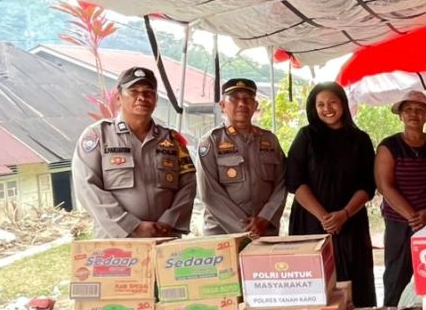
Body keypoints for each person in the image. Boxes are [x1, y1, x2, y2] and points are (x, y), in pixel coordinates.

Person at [72, 67, 195, 238]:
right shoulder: (98, 136)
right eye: (134, 91)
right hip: (117, 241)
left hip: (165, 237)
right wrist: (131, 226)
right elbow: (87, 187)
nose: (142, 97)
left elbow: (188, 185)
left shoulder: (172, 140)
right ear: (118, 97)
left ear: (156, 99)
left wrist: (169, 222)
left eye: (148, 92)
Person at [285, 82, 377, 307]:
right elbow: (295, 182)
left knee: (354, 284)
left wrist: (344, 214)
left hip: (351, 221)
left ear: (343, 104)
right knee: (315, 285)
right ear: (313, 108)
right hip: (312, 221)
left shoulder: (360, 140)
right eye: (321, 104)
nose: (327, 108)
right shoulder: (306, 137)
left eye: (332, 102)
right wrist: (325, 217)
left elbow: (368, 184)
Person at [375, 90, 426, 306]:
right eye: (408, 110)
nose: (413, 114)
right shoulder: (390, 146)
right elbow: (385, 186)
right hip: (400, 223)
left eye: (419, 110)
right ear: (400, 116)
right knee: (397, 277)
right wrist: (413, 217)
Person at [196, 78, 286, 237]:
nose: (242, 104)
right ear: (223, 105)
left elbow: (282, 183)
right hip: (223, 234)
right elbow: (210, 193)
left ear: (255, 106)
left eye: (247, 99)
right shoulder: (211, 142)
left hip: (264, 231)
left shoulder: (269, 140)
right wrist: (245, 228)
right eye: (234, 99)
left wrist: (265, 218)